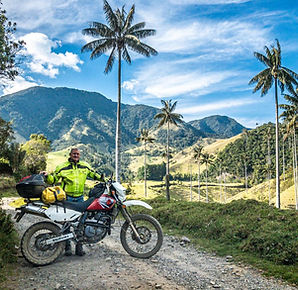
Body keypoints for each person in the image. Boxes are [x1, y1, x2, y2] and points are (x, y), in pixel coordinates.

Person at [41, 147, 103, 256]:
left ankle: (79, 247)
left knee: (81, 223)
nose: (76, 156)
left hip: (80, 198)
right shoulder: (63, 167)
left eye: (77, 154)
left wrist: (105, 179)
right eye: (74, 154)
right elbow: (54, 179)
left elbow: (94, 175)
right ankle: (67, 247)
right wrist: (47, 176)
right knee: (66, 223)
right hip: (67, 198)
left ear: (80, 155)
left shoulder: (85, 166)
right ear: (70, 155)